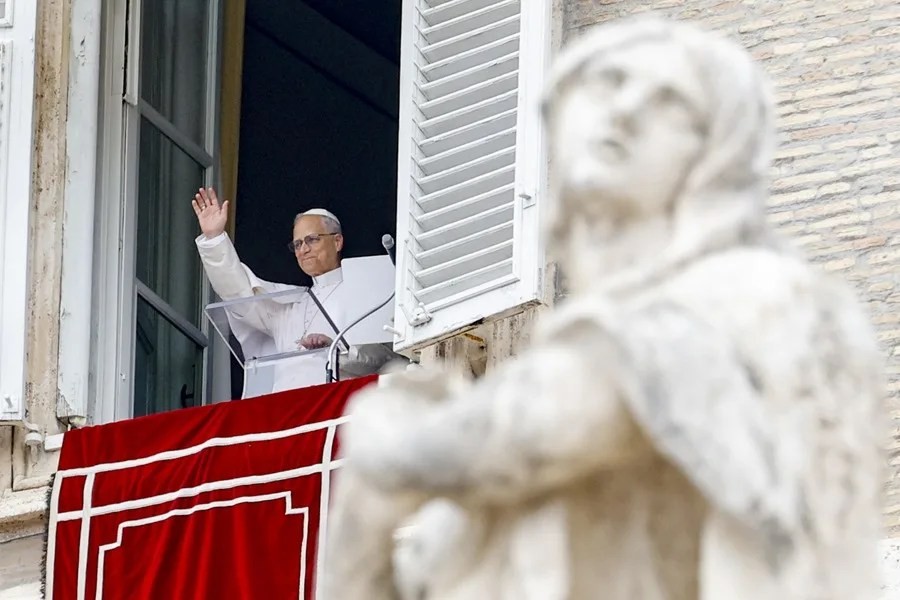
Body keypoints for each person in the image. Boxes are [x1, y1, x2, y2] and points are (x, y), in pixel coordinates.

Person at [322, 17, 884, 600]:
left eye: (668, 100)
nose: (624, 111)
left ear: (717, 151)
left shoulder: (716, 307)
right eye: (607, 85)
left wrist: (387, 437)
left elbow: (519, 432)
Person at [192, 187, 397, 393]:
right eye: (297, 244)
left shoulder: (363, 291)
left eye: (312, 239)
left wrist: (335, 349)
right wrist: (215, 239)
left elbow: (385, 357)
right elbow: (238, 291)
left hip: (339, 406)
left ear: (337, 241)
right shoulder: (289, 305)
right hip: (287, 411)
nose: (303, 250)